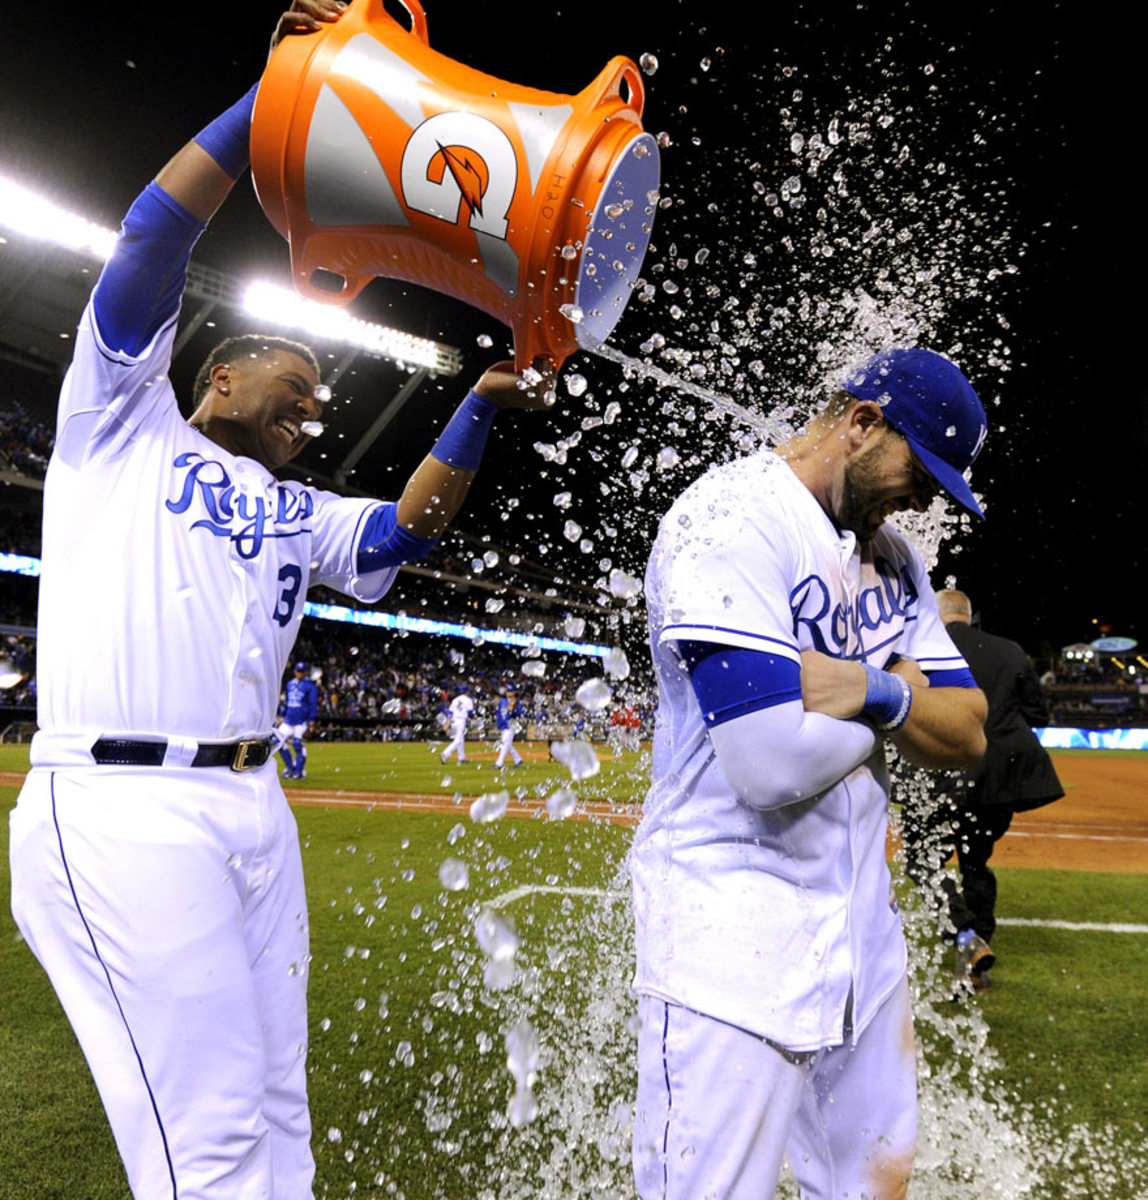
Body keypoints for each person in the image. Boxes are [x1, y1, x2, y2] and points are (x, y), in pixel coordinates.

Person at [6, 4, 556, 1196]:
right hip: (125, 804)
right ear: (218, 373)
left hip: (254, 809)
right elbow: (154, 234)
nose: (313, 411)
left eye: (320, 404)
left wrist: (477, 405)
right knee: (204, 1142)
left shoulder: (298, 514)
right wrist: (283, 98)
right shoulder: (121, 423)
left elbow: (408, 530)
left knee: (273, 1111)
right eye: (296, 383)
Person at [631, 347, 990, 1200]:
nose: (927, 499)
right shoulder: (732, 516)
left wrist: (865, 691)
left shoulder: (895, 557)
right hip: (731, 935)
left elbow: (971, 727)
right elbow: (768, 763)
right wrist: (898, 702)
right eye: (922, 470)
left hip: (863, 941)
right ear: (863, 422)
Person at [901, 588, 1064, 991]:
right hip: (997, 779)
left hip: (936, 775)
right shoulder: (1009, 650)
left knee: (924, 862)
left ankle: (963, 934)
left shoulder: (922, 646)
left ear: (937, 615)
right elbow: (1037, 713)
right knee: (976, 863)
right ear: (969, 616)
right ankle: (980, 958)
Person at [278, 660, 320, 779]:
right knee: (277, 742)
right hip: (289, 719)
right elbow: (287, 701)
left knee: (297, 744)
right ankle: (290, 768)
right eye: (298, 671)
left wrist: (311, 720)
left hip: (302, 721)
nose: (299, 673)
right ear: (295, 671)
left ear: (306, 672)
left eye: (302, 671)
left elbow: (313, 704)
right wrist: (282, 714)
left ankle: (299, 772)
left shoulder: (310, 686)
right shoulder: (290, 684)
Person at [441, 684, 475, 764]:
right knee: (458, 740)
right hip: (461, 721)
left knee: (460, 739)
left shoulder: (455, 700)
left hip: (453, 721)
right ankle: (445, 754)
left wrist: (447, 723)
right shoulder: (468, 700)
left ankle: (462, 758)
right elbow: (470, 713)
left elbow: (450, 713)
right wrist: (473, 718)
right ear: (467, 691)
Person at [494, 685, 524, 769]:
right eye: (508, 691)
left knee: (505, 744)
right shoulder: (503, 701)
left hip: (511, 725)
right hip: (503, 725)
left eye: (511, 691)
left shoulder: (516, 702)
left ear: (514, 692)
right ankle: (518, 760)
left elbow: (519, 713)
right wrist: (499, 724)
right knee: (508, 744)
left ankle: (499, 764)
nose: (509, 693)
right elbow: (499, 714)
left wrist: (513, 710)